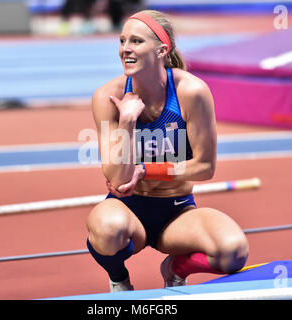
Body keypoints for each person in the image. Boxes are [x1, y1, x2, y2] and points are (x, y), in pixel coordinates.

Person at [86, 9, 249, 292]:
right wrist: (126, 121)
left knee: (233, 251)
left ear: (162, 49)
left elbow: (205, 167)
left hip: (177, 211)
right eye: (122, 41)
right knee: (107, 228)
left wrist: (146, 169)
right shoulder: (106, 97)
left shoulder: (191, 92)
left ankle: (175, 268)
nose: (125, 49)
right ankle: (119, 280)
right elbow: (117, 179)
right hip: (127, 208)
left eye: (136, 41)